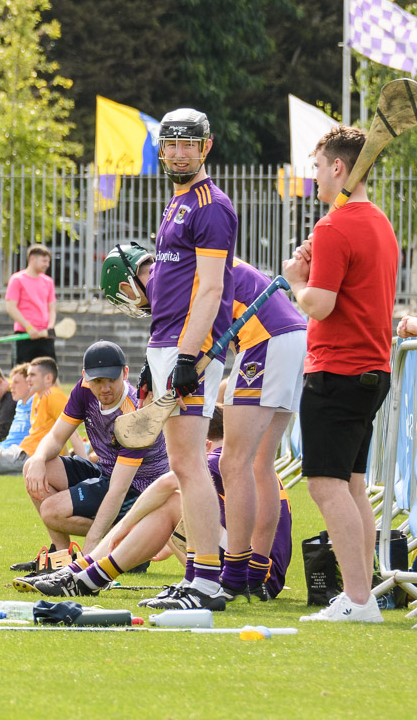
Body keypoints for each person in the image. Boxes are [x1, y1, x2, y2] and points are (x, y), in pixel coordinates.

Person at [102, 242, 305, 599]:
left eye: (127, 295)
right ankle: (255, 573)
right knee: (260, 464)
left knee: (234, 462)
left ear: (129, 282)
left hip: (262, 339)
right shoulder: (180, 264)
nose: (133, 303)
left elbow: (189, 333)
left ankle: (235, 577)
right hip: (290, 332)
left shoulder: (165, 278)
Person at [283, 124, 397, 623]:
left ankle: (357, 598)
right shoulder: (380, 223)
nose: (314, 177)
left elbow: (321, 306)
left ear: (338, 167)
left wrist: (296, 283)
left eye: (317, 166)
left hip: (338, 370)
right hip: (371, 368)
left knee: (326, 486)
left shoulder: (333, 226)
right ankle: (360, 595)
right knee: (351, 485)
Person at [16, 408, 293, 602]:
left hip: (249, 576)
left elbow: (164, 485)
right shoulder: (242, 460)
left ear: (205, 442)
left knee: (172, 501)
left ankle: (87, 574)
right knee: (174, 502)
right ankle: (83, 572)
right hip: (259, 572)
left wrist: (124, 527)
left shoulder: (214, 459)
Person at [136, 107, 237, 610]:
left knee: (189, 464)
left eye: (188, 144)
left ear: (206, 147)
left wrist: (186, 356)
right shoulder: (176, 202)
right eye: (171, 144)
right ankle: (199, 573)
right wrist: (154, 352)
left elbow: (213, 288)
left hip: (187, 347)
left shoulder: (211, 206)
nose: (178, 152)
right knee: (182, 464)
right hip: (168, 342)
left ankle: (207, 582)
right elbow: (172, 286)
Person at [21, 341, 170, 557]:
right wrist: (37, 459)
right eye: (98, 381)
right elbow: (55, 436)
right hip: (106, 472)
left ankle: (124, 541)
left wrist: (91, 548)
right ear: (85, 376)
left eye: (112, 379)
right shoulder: (83, 390)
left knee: (51, 511)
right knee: (34, 467)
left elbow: (118, 488)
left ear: (125, 373)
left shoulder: (135, 414)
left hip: (138, 487)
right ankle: (61, 559)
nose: (105, 387)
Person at [5, 244, 57, 364]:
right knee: (22, 372)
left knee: (49, 372)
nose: (47, 265)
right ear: (32, 258)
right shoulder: (17, 280)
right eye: (44, 260)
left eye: (48, 261)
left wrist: (50, 327)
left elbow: (51, 308)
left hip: (45, 335)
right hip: (25, 335)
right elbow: (11, 308)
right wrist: (29, 328)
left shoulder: (48, 282)